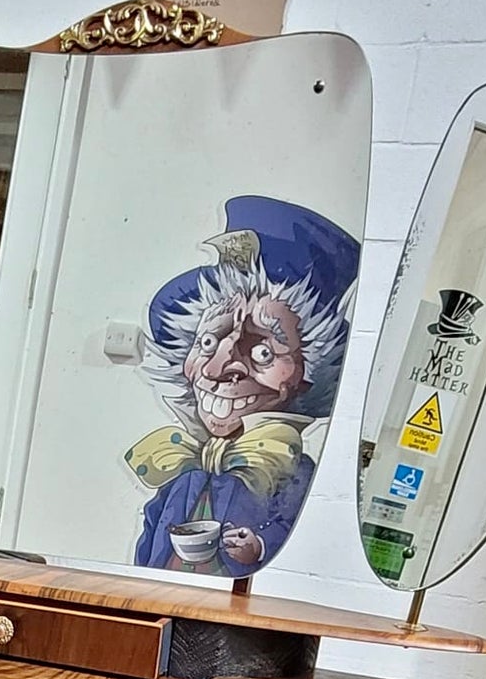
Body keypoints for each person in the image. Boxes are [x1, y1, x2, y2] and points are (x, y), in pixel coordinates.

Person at [127, 196, 359, 577]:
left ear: (305, 376)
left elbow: (297, 538)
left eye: (264, 352)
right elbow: (154, 521)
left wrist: (257, 548)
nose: (218, 368)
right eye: (207, 342)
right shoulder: (185, 466)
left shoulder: (291, 471)